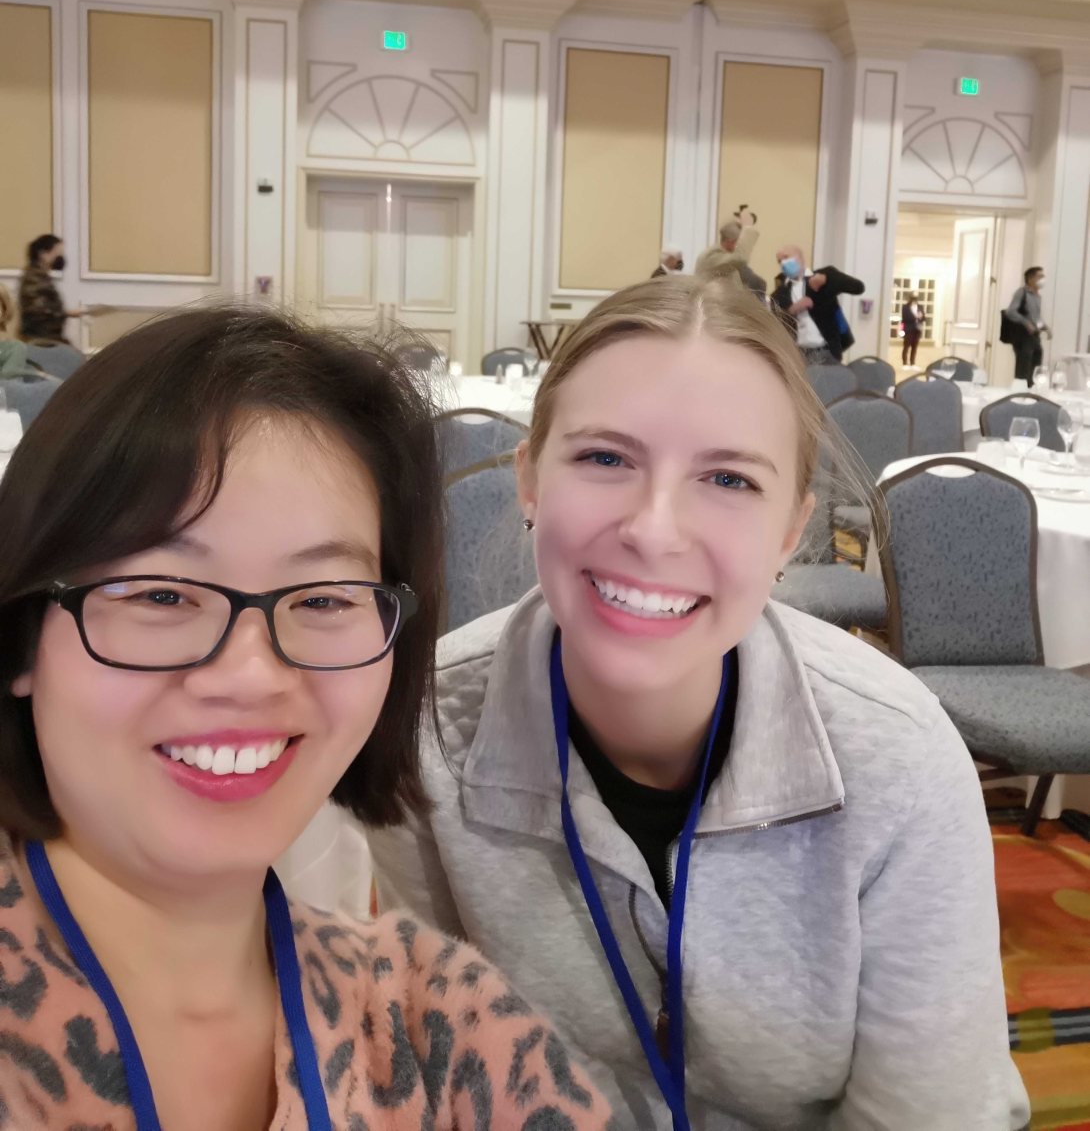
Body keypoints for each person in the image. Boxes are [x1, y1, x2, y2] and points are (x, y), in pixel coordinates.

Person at [369, 275, 1027, 1131]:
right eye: (605, 458)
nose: (653, 528)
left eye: (728, 479)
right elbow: (445, 1086)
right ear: (529, 481)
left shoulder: (896, 759)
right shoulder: (423, 735)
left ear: (792, 527)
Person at [0, 307, 611, 1131]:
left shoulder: (435, 1030)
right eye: (159, 594)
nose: (251, 675)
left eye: (324, 597)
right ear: (23, 637)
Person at [771, 245, 864, 363]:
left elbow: (858, 287)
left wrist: (827, 279)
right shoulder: (779, 293)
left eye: (786, 257)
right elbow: (775, 322)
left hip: (826, 351)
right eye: (780, 261)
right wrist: (792, 309)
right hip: (798, 354)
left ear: (800, 257)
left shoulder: (824, 276)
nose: (784, 263)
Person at [18, 233, 83, 343]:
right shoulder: (33, 279)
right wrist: (67, 313)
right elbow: (38, 313)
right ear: (43, 254)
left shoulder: (40, 277)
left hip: (47, 337)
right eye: (57, 253)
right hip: (40, 339)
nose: (61, 257)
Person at [694, 208, 766, 297]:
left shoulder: (725, 256)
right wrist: (748, 228)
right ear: (730, 241)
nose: (741, 246)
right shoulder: (711, 256)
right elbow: (740, 258)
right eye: (740, 242)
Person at [1004, 266, 1051, 386]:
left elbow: (1036, 318)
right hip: (1022, 336)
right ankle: (1020, 396)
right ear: (1030, 278)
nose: (1042, 279)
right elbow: (1011, 311)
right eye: (1039, 276)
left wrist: (1045, 327)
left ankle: (1032, 393)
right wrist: (1026, 323)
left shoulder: (1037, 296)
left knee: (1036, 366)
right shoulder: (1022, 292)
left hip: (1034, 336)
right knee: (1023, 369)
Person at [902, 292, 925, 367]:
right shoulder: (905, 307)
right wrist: (915, 317)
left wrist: (921, 317)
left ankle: (912, 363)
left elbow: (924, 318)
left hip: (917, 329)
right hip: (908, 329)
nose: (915, 300)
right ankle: (905, 363)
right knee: (906, 346)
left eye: (916, 298)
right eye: (913, 298)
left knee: (914, 347)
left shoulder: (920, 307)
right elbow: (905, 318)